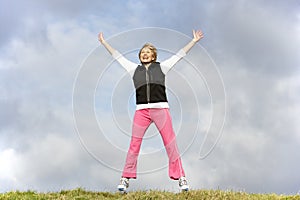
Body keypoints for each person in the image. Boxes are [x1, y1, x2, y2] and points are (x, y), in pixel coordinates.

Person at [98, 29, 204, 192]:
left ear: (153, 56)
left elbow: (180, 55)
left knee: (170, 144)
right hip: (141, 112)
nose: (144, 54)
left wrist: (194, 41)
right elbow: (117, 56)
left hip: (161, 109)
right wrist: (104, 43)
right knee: (134, 144)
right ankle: (125, 178)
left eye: (148, 52)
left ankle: (181, 177)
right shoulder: (134, 69)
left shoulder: (163, 67)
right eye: (142, 52)